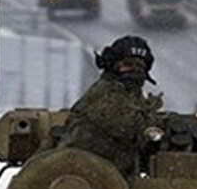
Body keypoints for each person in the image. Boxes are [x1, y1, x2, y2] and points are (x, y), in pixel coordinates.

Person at [59, 35, 164, 176]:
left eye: (140, 66)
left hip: (107, 174)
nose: (135, 70)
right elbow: (131, 128)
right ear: (113, 65)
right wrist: (153, 118)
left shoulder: (130, 94)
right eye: (128, 65)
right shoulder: (107, 92)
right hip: (82, 174)